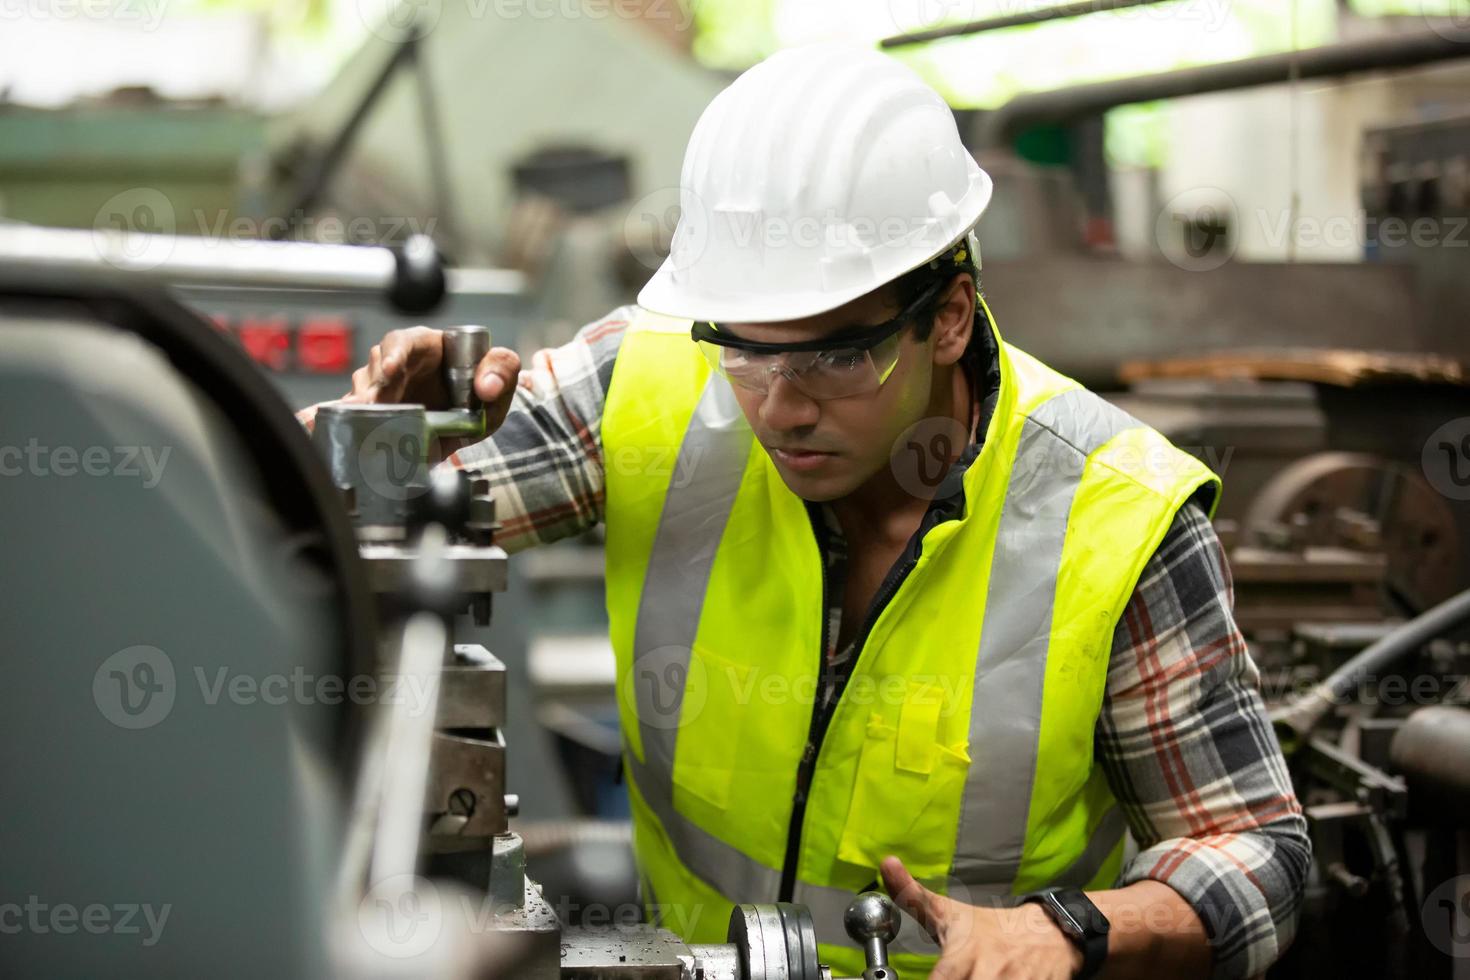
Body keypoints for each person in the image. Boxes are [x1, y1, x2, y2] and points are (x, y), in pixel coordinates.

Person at [302, 44, 1309, 980]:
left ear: (948, 315)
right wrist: (389, 441)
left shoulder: (1117, 517)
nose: (779, 405)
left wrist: (1067, 929)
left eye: (834, 353)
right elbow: (314, 510)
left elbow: (1259, 855)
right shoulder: (653, 382)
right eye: (745, 348)